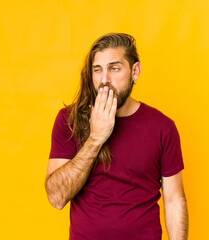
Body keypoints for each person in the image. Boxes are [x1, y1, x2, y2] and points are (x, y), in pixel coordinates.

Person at [45, 33, 188, 240]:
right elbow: (57, 198)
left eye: (114, 68)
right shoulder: (69, 120)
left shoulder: (163, 128)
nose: (104, 80)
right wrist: (96, 138)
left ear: (135, 71)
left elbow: (174, 199)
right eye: (97, 70)